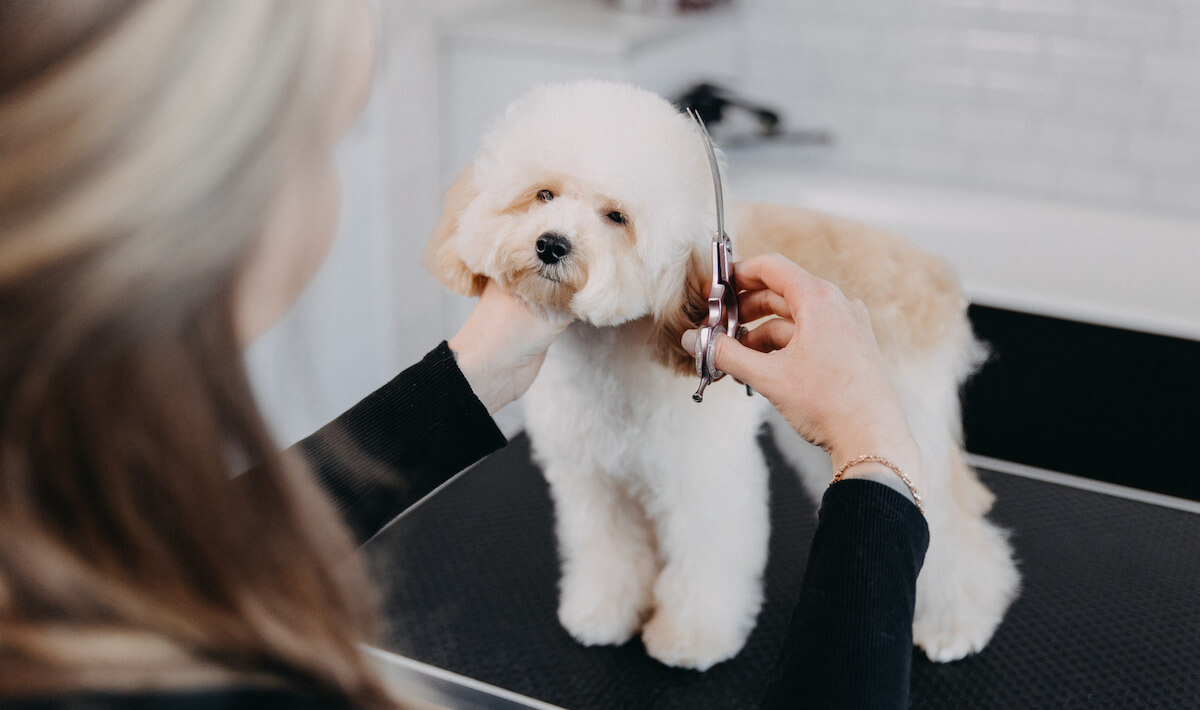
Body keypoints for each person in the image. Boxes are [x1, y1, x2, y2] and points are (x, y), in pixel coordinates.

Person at [0, 2, 926, 709]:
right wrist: (876, 459)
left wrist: (468, 374)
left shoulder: (61, 554)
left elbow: (206, 561)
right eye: (330, 143)